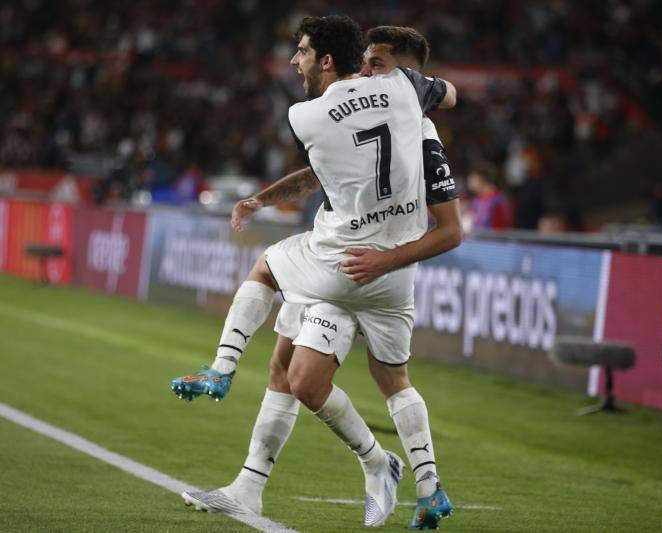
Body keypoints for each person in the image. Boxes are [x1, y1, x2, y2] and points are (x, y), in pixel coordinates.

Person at [170, 15, 456, 528]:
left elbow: (450, 226)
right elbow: (443, 95)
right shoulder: (409, 94)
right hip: (377, 273)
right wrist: (265, 197)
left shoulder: (313, 115)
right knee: (294, 372)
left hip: (342, 261)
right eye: (367, 60)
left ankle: (222, 369)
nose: (372, 68)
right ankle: (252, 488)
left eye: (381, 63)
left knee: (266, 272)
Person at [462, 160, 513, 232]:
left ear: (481, 179)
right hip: (476, 240)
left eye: (472, 179)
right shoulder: (475, 200)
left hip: (492, 241)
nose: (469, 182)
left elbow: (500, 229)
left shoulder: (498, 200)